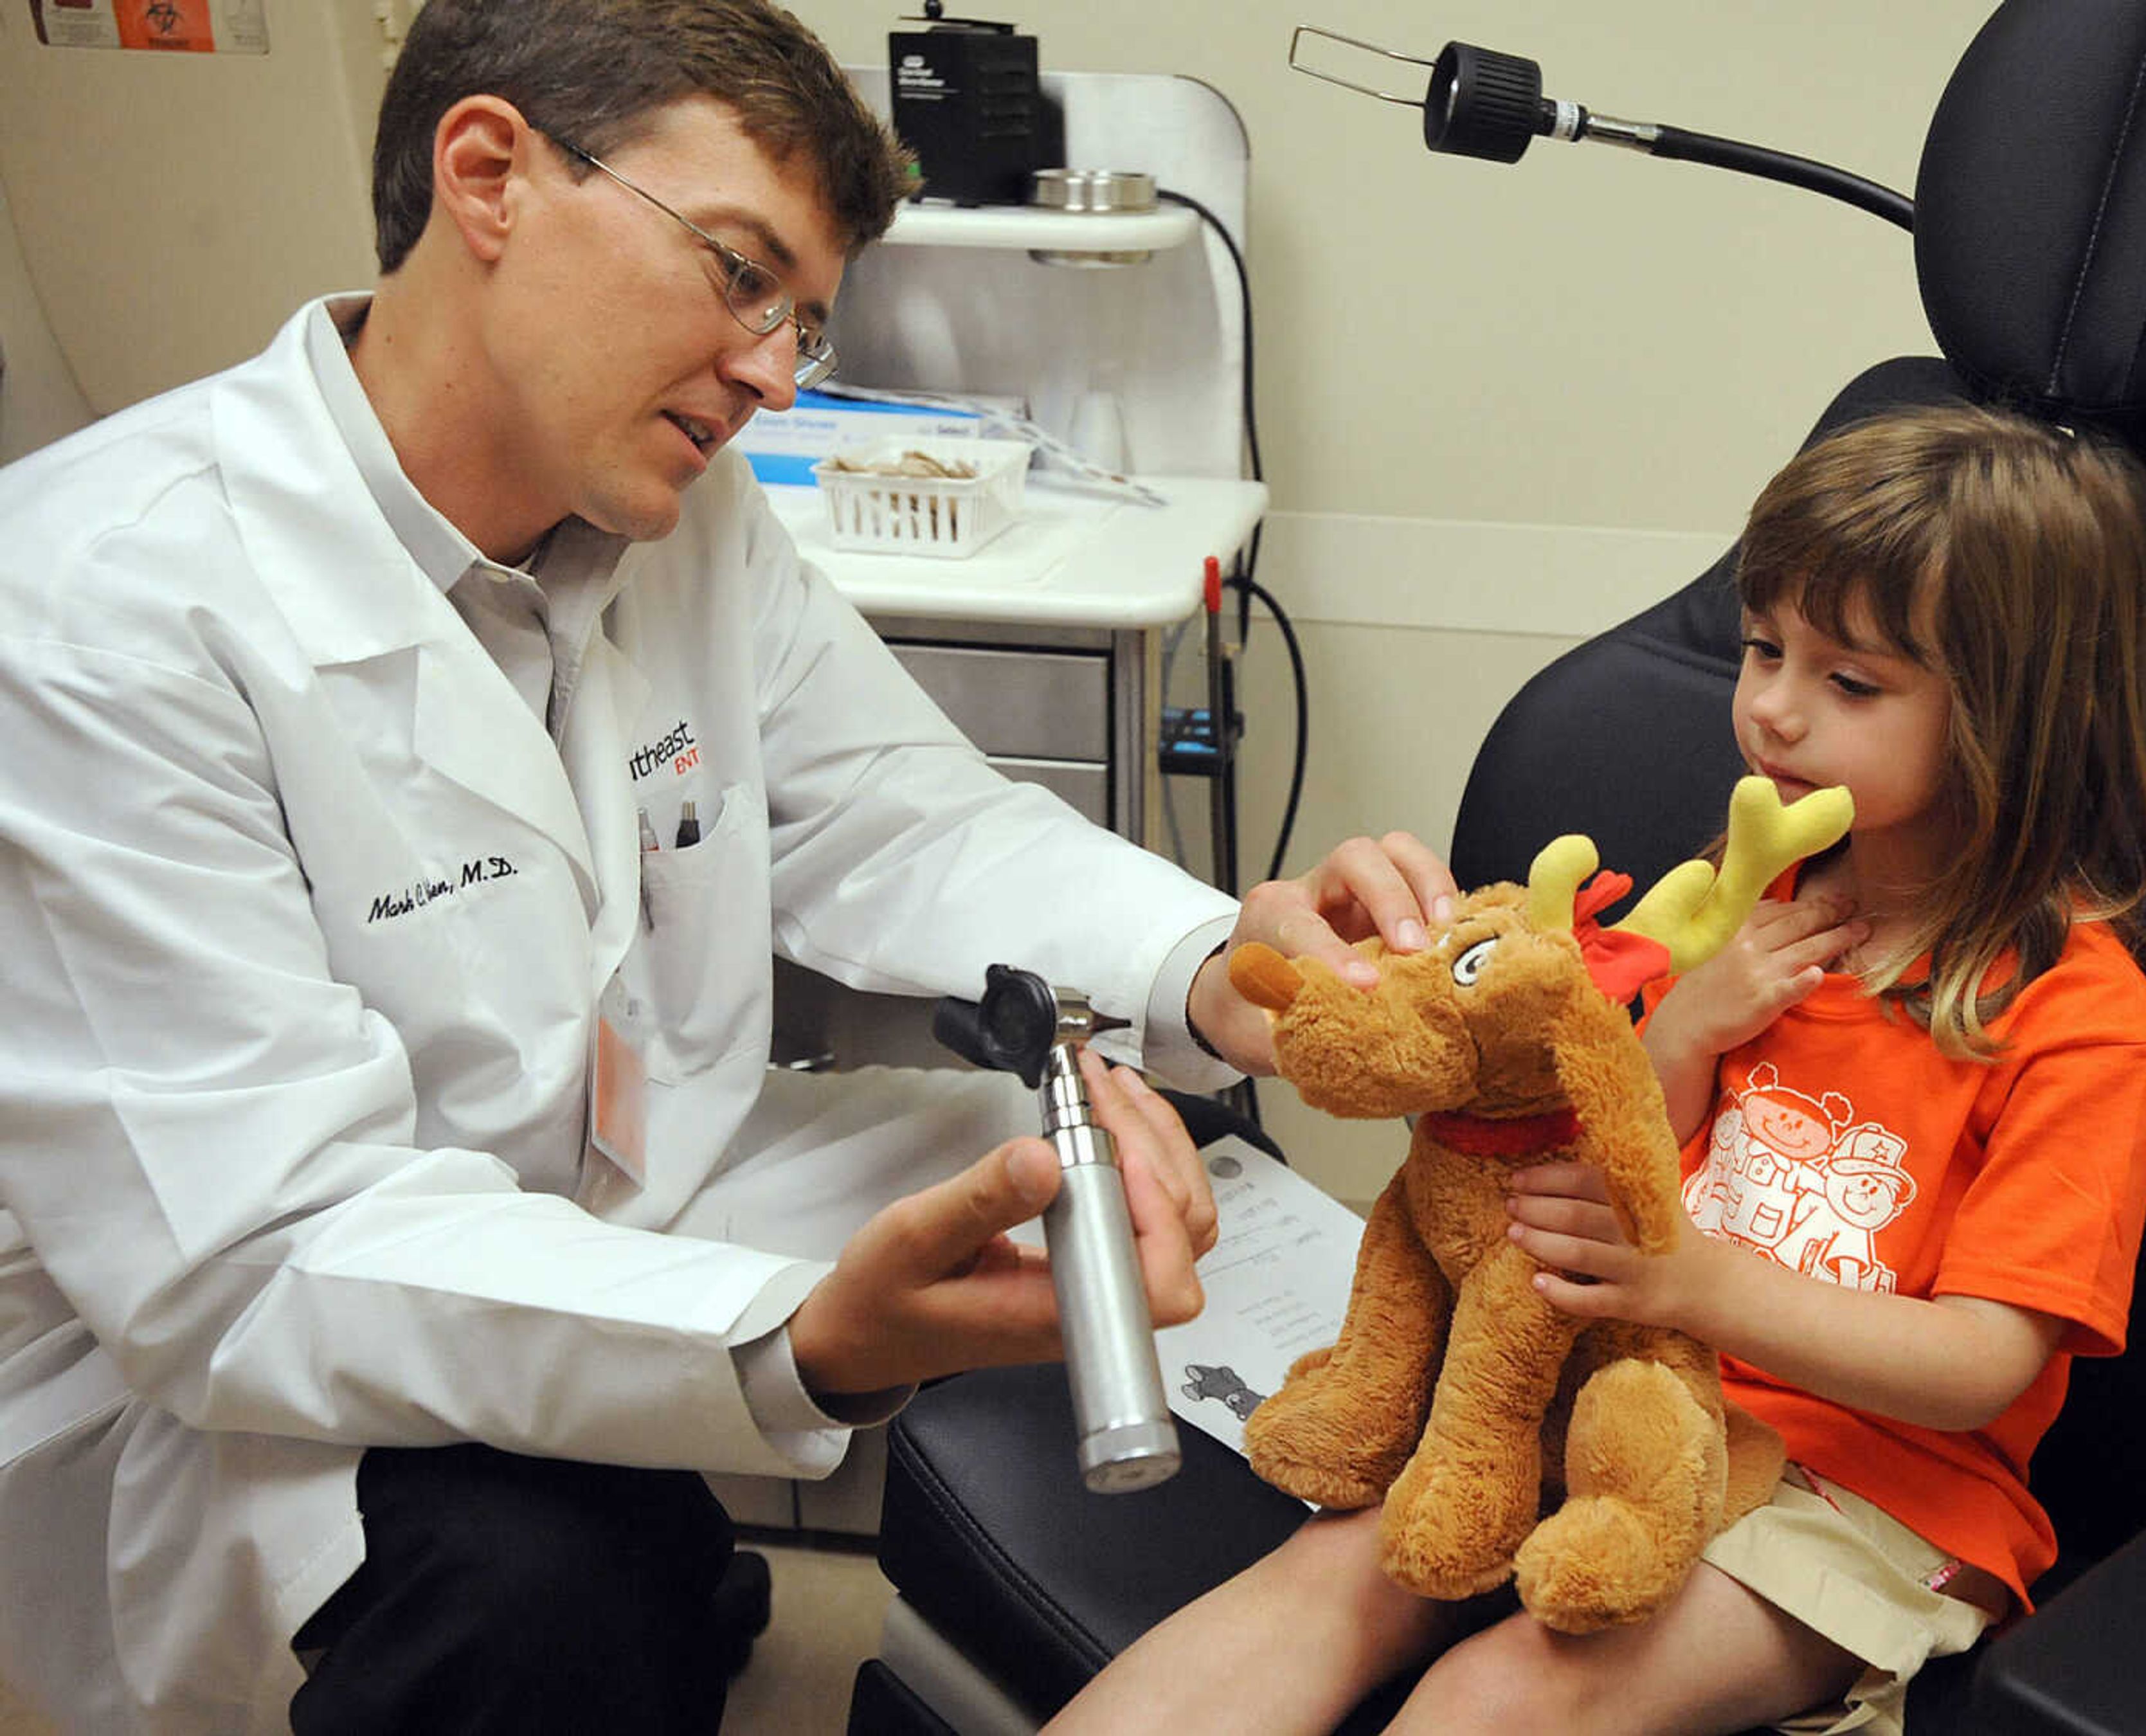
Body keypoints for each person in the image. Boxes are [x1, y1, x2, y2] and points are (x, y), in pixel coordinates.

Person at [0, 3, 1456, 1730]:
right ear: (492, 177)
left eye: (805, 317)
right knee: (546, 1598)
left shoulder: (666, 518)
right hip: (239, 1366)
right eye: (741, 275)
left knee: (1109, 1170)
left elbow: (901, 813)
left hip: (610, 1182)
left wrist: (1226, 968)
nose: (779, 369)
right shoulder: (94, 608)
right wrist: (803, 1342)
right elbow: (257, 1258)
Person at [1055, 403, 2146, 1735]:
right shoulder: (1739, 906)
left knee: (1507, 1695)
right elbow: (1617, 1152)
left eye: (1851, 683)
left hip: (1869, 1492)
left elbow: (1981, 1366)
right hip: (1612, 1378)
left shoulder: (2079, 1021)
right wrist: (1686, 1032)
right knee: (1337, 1573)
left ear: (2014, 719)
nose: (1771, 707)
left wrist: (1698, 1283)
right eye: (1765, 648)